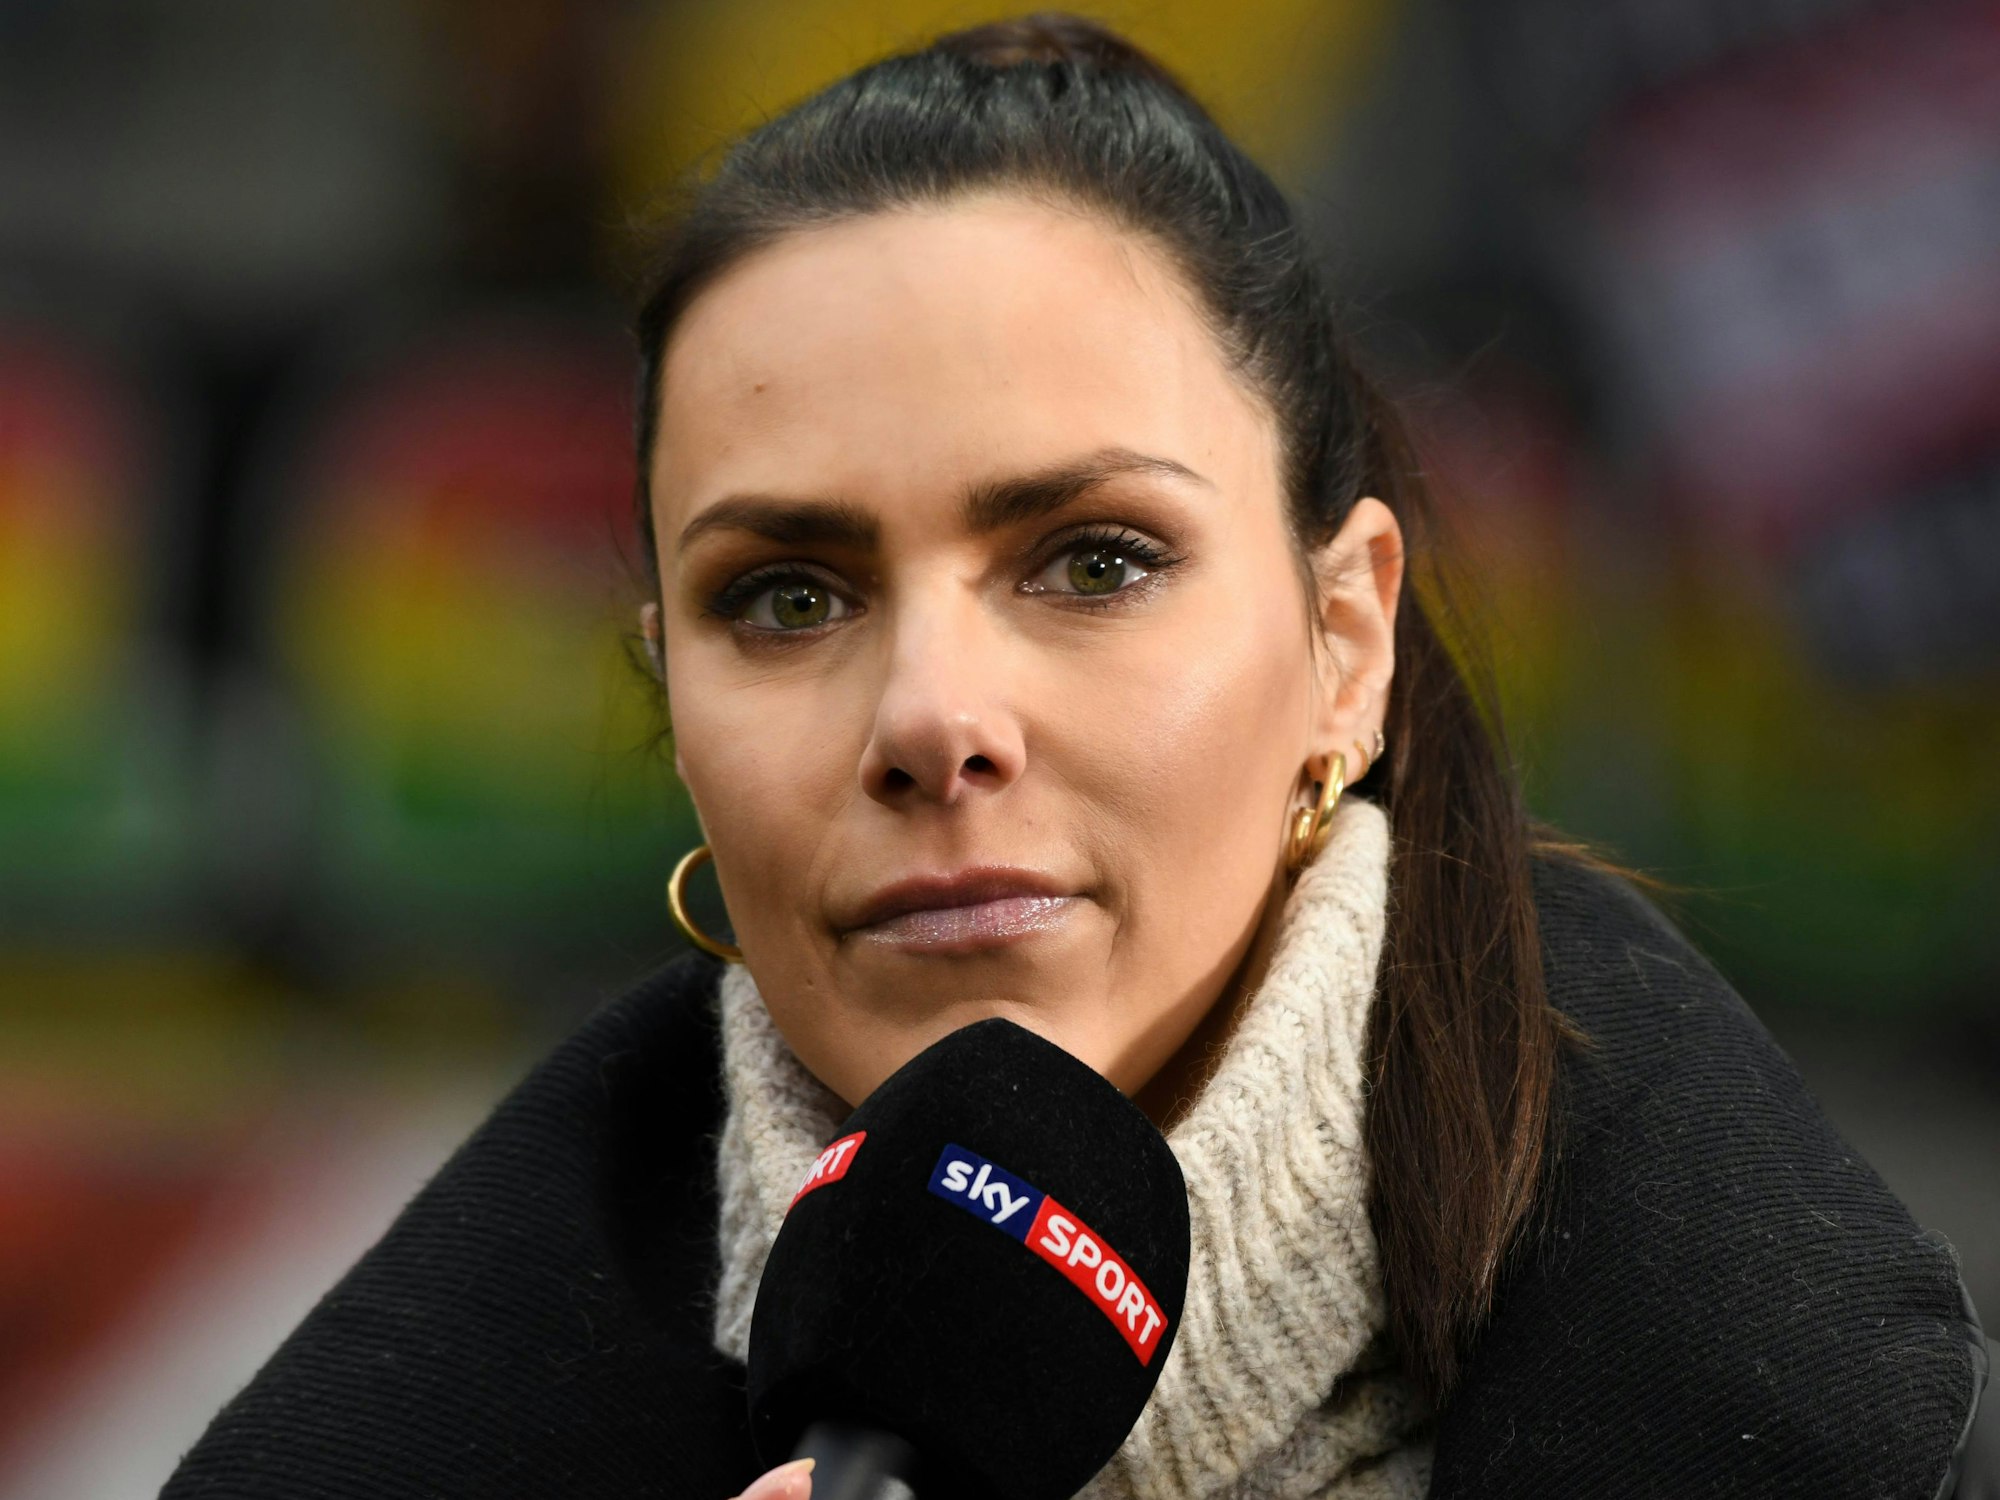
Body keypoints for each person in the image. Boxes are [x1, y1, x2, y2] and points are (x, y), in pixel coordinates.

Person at [164, 12, 1988, 1499]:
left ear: (1346, 644)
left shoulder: (1821, 1401)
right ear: (671, 703)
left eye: (1094, 563)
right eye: (786, 598)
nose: (931, 719)